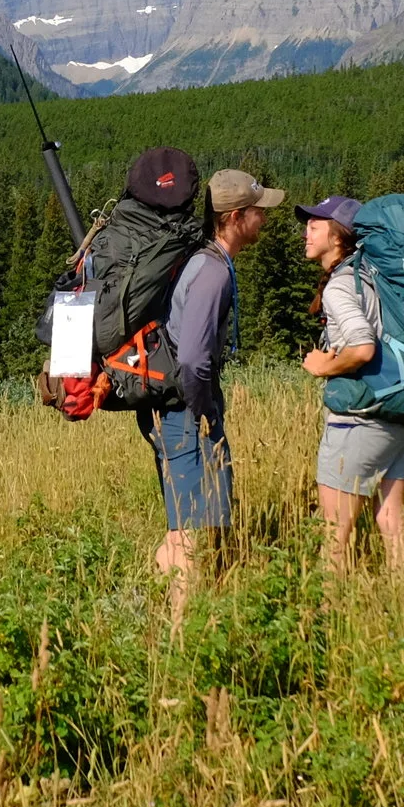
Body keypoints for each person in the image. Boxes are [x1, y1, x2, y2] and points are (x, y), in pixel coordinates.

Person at [145, 165, 283, 618]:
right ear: (236, 217)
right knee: (191, 533)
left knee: (183, 527)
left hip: (173, 408)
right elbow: (193, 358)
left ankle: (159, 617)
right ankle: (181, 636)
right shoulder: (212, 272)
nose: (264, 218)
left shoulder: (204, 261)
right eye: (258, 211)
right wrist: (203, 410)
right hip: (184, 412)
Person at [297, 195, 404, 572]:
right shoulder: (373, 276)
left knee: (333, 533)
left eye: (315, 226)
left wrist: (324, 367)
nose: (305, 233)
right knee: (392, 521)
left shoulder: (340, 286)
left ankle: (328, 609)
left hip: (357, 423)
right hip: (394, 418)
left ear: (338, 237)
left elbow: (363, 348)